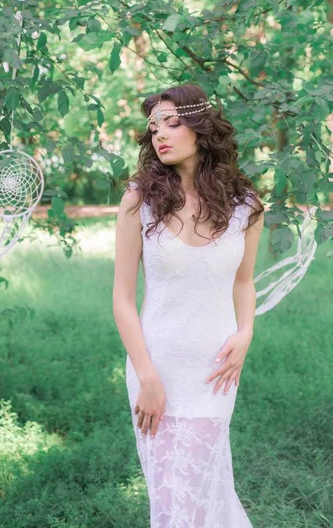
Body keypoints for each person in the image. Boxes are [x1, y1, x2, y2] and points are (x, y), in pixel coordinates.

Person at [113, 84, 264, 527]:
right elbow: (122, 299)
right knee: (171, 500)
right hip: (155, 367)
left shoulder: (245, 206)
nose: (159, 133)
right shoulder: (138, 200)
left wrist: (246, 332)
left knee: (201, 490)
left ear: (202, 128)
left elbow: (244, 282)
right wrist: (148, 378)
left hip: (215, 372)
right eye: (154, 126)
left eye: (172, 123)